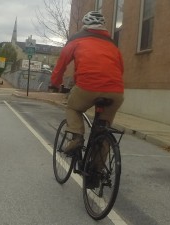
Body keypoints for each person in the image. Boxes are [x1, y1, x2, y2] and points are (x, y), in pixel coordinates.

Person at [50, 11, 125, 187]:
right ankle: (95, 174)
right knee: (103, 130)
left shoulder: (77, 39)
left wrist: (55, 83)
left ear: (85, 24)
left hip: (87, 86)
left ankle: (76, 138)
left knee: (73, 107)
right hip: (115, 91)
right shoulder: (113, 45)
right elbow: (120, 69)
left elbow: (61, 64)